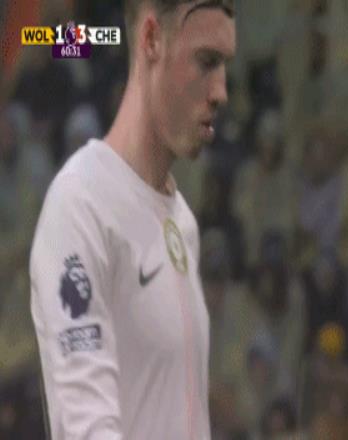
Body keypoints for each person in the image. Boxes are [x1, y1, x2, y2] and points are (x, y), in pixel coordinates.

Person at [29, 0, 236, 438]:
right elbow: (87, 427)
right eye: (206, 61)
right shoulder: (80, 204)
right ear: (150, 40)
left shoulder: (184, 222)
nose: (221, 92)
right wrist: (54, 39)